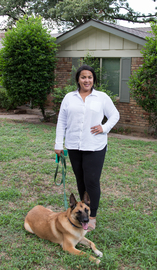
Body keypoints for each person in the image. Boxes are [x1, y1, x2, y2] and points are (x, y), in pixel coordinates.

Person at [54, 64, 120, 231]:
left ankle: (92, 217)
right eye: (83, 77)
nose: (86, 80)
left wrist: (104, 128)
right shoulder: (69, 97)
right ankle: (82, 212)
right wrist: (58, 143)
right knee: (80, 180)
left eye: (89, 77)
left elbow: (115, 115)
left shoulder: (101, 97)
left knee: (91, 181)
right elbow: (61, 121)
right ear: (78, 79)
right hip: (74, 146)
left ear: (93, 80)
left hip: (95, 146)